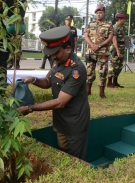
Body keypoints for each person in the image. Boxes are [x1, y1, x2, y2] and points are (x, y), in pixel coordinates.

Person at [17, 26, 90, 160]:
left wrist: (30, 108)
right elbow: (47, 82)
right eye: (50, 52)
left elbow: (60, 102)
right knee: (63, 152)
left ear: (68, 49)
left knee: (75, 158)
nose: (52, 56)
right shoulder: (58, 61)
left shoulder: (76, 70)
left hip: (75, 121)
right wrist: (33, 79)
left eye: (55, 52)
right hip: (60, 119)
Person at [84, 6, 114, 98]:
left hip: (103, 52)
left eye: (100, 13)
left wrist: (99, 46)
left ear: (104, 14)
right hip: (91, 52)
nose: (98, 15)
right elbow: (86, 35)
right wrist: (92, 45)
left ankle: (101, 93)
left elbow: (110, 38)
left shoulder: (108, 25)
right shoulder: (90, 24)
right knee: (89, 71)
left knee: (103, 72)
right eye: (97, 13)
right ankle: (87, 91)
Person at [107, 13, 126, 88]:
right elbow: (114, 39)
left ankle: (115, 82)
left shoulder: (120, 27)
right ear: (120, 19)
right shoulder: (115, 27)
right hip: (116, 48)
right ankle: (109, 83)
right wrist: (117, 50)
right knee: (113, 66)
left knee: (119, 66)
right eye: (123, 19)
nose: (124, 21)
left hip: (121, 48)